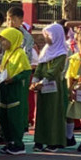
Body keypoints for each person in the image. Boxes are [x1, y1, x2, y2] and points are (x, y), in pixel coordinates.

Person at [30, 22, 69, 152]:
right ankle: (40, 140)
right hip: (42, 86)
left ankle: (54, 141)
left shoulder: (62, 52)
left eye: (48, 35)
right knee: (41, 113)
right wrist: (35, 79)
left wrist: (44, 81)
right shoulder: (46, 50)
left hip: (53, 86)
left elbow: (55, 69)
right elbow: (40, 66)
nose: (45, 38)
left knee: (53, 112)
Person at [0, 28, 32, 155]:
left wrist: (14, 78)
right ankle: (9, 141)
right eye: (1, 40)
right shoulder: (6, 53)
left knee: (14, 117)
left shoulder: (20, 54)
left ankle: (18, 143)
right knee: (3, 115)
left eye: (5, 40)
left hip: (15, 90)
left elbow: (26, 71)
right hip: (5, 88)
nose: (3, 43)